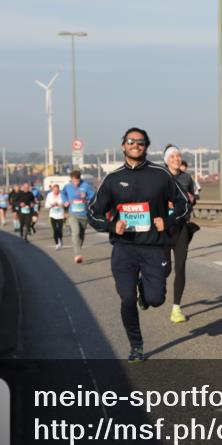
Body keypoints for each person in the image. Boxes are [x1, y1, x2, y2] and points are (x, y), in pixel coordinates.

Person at [88, 127, 179, 363]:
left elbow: (184, 206)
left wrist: (167, 221)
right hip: (124, 249)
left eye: (140, 142)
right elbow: (93, 213)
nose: (136, 145)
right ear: (123, 146)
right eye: (131, 141)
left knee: (156, 299)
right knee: (127, 299)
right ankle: (136, 345)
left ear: (147, 146)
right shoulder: (113, 179)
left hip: (153, 247)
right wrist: (110, 226)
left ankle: (145, 288)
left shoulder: (161, 175)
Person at [162, 145, 197, 324]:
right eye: (173, 156)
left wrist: (192, 200)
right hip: (164, 228)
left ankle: (176, 308)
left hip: (181, 227)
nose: (176, 158)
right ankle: (145, 285)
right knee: (165, 269)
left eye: (178, 155)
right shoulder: (159, 177)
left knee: (181, 266)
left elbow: (193, 199)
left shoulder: (186, 178)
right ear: (166, 159)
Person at [61, 170, 95, 264]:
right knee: (75, 232)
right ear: (71, 179)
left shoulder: (86, 186)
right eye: (74, 181)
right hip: (73, 214)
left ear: (80, 179)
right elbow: (63, 194)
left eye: (77, 181)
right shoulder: (67, 186)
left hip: (84, 214)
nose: (75, 183)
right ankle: (77, 254)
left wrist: (85, 198)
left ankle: (78, 248)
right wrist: (66, 201)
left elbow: (92, 196)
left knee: (81, 235)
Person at [45, 184, 66, 250]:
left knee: (60, 230)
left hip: (61, 215)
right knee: (55, 230)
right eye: (54, 190)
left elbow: (66, 204)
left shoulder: (62, 195)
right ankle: (57, 244)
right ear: (52, 190)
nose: (56, 191)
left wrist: (61, 205)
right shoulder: (49, 195)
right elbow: (46, 205)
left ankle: (60, 239)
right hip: (53, 215)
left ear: (59, 190)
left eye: (57, 190)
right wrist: (52, 205)